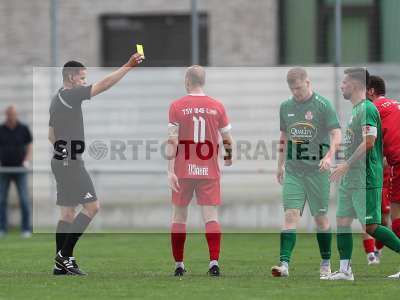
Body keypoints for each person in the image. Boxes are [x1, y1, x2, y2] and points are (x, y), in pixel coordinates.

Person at [50, 52, 144, 275]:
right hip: (71, 162)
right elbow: (103, 85)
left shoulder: (57, 97)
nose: (84, 82)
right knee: (93, 207)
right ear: (72, 77)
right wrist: (128, 65)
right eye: (82, 78)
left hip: (60, 161)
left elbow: (50, 134)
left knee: (67, 214)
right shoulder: (71, 96)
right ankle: (64, 256)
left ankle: (59, 264)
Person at [329, 68, 400, 280]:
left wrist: (347, 165)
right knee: (342, 220)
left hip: (366, 177)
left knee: (371, 225)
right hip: (351, 178)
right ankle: (345, 270)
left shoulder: (369, 108)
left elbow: (369, 142)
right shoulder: (356, 110)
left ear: (357, 85)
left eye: (345, 83)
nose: (341, 86)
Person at [271, 68, 341, 279]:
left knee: (320, 218)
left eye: (299, 88)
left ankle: (326, 263)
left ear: (308, 83)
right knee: (290, 214)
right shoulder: (285, 107)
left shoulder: (323, 105)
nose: (296, 92)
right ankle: (284, 264)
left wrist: (329, 156)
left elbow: (336, 133)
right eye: (292, 89)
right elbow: (283, 137)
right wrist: (280, 164)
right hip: (294, 171)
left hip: (317, 172)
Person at [166, 65, 233, 277]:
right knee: (210, 217)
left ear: (187, 81)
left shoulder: (176, 106)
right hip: (209, 170)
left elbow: (172, 140)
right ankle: (214, 262)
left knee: (179, 217)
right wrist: (228, 156)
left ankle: (179, 265)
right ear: (203, 82)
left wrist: (170, 170)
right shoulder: (217, 106)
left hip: (183, 169)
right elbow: (227, 139)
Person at [361, 75, 400, 266]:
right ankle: (373, 254)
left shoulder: (373, 109)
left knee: (394, 216)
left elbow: (369, 143)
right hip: (394, 163)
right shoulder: (395, 105)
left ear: (370, 91)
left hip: (398, 164)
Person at [0, 105, 32, 238]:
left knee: (24, 199)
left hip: (20, 169)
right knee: (1, 200)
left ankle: (25, 229)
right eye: (9, 114)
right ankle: (2, 228)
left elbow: (29, 146)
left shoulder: (23, 129)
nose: (11, 117)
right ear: (6, 115)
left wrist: (27, 161)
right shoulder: (1, 129)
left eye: (13, 114)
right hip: (4, 169)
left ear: (16, 115)